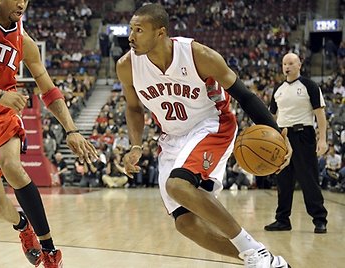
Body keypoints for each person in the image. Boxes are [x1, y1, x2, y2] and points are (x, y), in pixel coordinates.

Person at [117, 4, 292, 268]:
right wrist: (136, 145)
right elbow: (133, 108)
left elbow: (244, 96)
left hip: (211, 125)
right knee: (186, 225)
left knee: (177, 185)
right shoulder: (127, 66)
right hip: (171, 138)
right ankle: (261, 259)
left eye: (139, 30)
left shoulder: (198, 55)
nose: (131, 36)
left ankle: (253, 251)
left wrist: (278, 134)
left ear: (160, 33)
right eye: (131, 29)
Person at [0, 0, 98, 267]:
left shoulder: (24, 41)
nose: (23, 3)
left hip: (1, 113)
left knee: (12, 166)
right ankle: (22, 225)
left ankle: (50, 251)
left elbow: (48, 88)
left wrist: (71, 129)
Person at [265, 52, 328, 234]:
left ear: (299, 65)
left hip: (303, 135)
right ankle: (282, 220)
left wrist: (322, 139)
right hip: (282, 137)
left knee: (309, 179)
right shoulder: (278, 88)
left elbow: (320, 114)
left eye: (291, 63)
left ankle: (319, 219)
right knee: (283, 181)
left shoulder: (310, 85)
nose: (287, 66)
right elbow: (273, 116)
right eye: (285, 63)